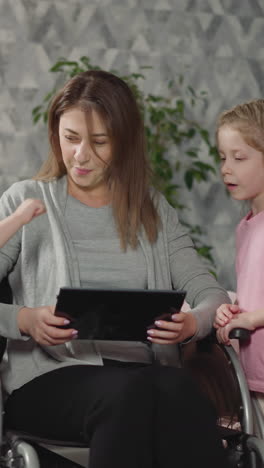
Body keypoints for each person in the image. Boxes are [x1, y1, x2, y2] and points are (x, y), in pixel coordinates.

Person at [0, 70, 230, 468]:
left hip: (142, 377)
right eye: (70, 138)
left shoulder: (154, 210)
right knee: (130, 396)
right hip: (48, 380)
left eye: (99, 142)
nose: (81, 155)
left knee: (183, 395)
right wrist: (24, 318)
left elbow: (210, 294)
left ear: (124, 141)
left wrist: (193, 324)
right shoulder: (27, 201)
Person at [213, 99, 264, 417]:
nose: (225, 168)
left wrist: (253, 319)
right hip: (254, 375)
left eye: (239, 157)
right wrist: (232, 311)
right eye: (222, 157)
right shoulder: (245, 228)